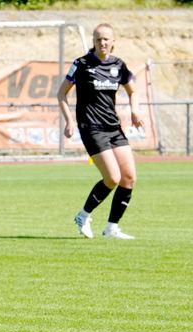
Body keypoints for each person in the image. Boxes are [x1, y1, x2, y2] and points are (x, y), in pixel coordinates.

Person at [57, 23, 144, 240]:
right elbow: (61, 94)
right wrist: (69, 121)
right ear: (93, 41)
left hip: (113, 128)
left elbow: (133, 91)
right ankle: (83, 215)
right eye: (98, 39)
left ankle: (111, 228)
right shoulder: (81, 64)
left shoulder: (119, 65)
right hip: (92, 128)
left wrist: (135, 110)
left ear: (113, 41)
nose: (102, 43)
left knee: (129, 178)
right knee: (112, 177)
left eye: (106, 39)